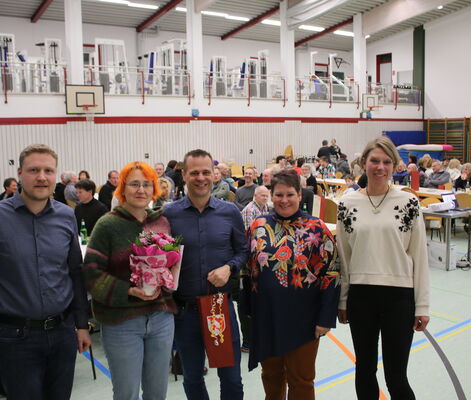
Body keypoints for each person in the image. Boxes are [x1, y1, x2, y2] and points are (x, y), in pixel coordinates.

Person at [0, 144, 91, 400]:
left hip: (62, 332)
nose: (42, 177)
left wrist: (81, 324)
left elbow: (75, 274)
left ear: (55, 176)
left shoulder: (67, 216)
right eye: (34, 170)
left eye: (48, 170)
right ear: (20, 174)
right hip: (15, 338)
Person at [336, 137, 429, 400]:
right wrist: (343, 299)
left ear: (395, 165)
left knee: (396, 377)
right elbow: (344, 257)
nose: (380, 167)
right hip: (361, 297)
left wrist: (422, 305)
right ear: (363, 163)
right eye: (375, 161)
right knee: (364, 370)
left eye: (387, 162)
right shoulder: (347, 204)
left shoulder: (409, 203)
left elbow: (419, 255)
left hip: (399, 298)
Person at [241, 169, 339, 400]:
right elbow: (246, 269)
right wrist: (247, 311)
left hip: (304, 318)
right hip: (267, 316)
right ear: (271, 195)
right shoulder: (257, 227)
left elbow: (332, 272)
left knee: (301, 380)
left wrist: (325, 318)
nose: (284, 200)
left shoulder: (317, 228)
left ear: (299, 195)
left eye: (290, 195)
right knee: (271, 376)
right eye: (279, 195)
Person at [83, 161, 176, 400]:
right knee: (126, 393)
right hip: (122, 322)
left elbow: (169, 263)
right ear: (122, 188)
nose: (141, 190)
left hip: (161, 318)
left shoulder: (161, 222)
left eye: (147, 184)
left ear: (154, 189)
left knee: (157, 392)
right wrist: (129, 290)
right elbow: (91, 273)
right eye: (134, 184)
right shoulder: (107, 225)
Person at [164, 149, 248, 400]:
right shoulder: (168, 214)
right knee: (192, 377)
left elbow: (243, 250)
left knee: (231, 378)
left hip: (219, 307)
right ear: (184, 175)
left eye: (205, 172)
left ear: (214, 174)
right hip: (185, 311)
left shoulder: (230, 212)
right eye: (194, 173)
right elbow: (158, 255)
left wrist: (229, 267)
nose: (200, 178)